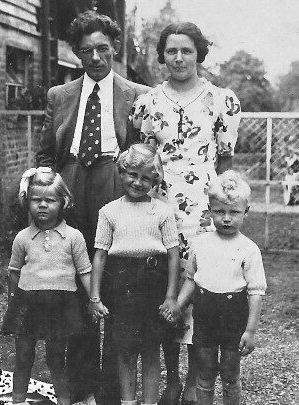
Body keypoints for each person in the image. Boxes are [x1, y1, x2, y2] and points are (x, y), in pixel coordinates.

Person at [36, 10, 149, 405]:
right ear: (76, 53)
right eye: (87, 51)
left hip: (114, 180)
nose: (96, 57)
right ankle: (82, 380)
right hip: (71, 182)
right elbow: (46, 154)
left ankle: (113, 388)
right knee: (77, 279)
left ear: (115, 47)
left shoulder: (137, 94)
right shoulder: (59, 95)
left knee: (115, 280)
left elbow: (144, 156)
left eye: (103, 48)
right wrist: (46, 194)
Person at [130, 22, 241, 405]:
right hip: (157, 213)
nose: (178, 58)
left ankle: (194, 381)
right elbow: (140, 162)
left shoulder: (221, 100)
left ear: (199, 54)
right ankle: (172, 380)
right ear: (162, 55)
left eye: (187, 51)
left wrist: (219, 208)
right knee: (165, 294)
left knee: (197, 298)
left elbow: (225, 162)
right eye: (171, 51)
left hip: (201, 217)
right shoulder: (147, 103)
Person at [89, 144, 180, 405]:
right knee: (125, 350)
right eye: (132, 174)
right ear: (121, 171)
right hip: (121, 284)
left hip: (153, 282)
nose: (138, 183)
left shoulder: (162, 211)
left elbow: (173, 255)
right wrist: (95, 297)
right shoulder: (109, 212)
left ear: (155, 181)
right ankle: (128, 401)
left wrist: (171, 297)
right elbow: (100, 255)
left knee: (151, 350)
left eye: (146, 178)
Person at [1, 168, 92, 405]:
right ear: (27, 202)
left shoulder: (74, 237)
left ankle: (63, 401)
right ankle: (18, 401)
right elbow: (14, 272)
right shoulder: (22, 237)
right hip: (27, 302)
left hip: (61, 305)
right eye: (36, 199)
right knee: (23, 357)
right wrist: (13, 301)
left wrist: (95, 299)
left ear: (64, 202)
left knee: (56, 360)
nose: (42, 205)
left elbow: (85, 271)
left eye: (50, 200)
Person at [176, 170, 267, 405]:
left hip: (233, 319)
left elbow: (256, 293)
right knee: (204, 373)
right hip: (205, 318)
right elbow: (190, 279)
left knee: (229, 374)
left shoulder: (249, 249)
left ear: (246, 211)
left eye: (234, 212)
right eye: (220, 211)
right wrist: (177, 305)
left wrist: (250, 331)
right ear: (210, 209)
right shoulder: (200, 243)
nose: (227, 218)